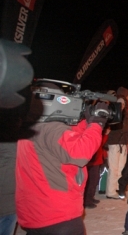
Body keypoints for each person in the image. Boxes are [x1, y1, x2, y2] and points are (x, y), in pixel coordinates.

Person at [15, 84, 108, 234]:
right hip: (58, 215)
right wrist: (97, 124)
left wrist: (86, 122)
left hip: (35, 213)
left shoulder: (31, 126)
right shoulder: (50, 128)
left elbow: (62, 142)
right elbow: (80, 153)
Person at [106, 87, 128, 199]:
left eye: (123, 103)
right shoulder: (113, 115)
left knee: (121, 167)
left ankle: (118, 188)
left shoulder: (126, 117)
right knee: (114, 167)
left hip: (123, 144)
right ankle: (110, 191)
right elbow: (113, 128)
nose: (122, 106)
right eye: (120, 104)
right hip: (115, 143)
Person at [84, 125, 110, 209]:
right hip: (92, 160)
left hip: (96, 159)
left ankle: (90, 197)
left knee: (95, 180)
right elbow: (99, 143)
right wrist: (105, 135)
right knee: (91, 180)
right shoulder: (93, 134)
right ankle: (87, 200)